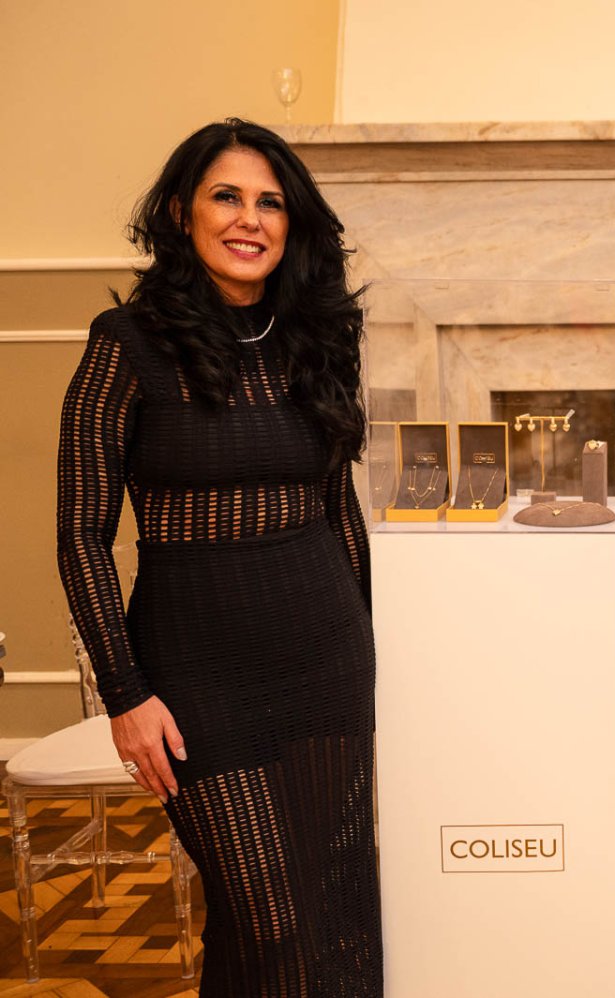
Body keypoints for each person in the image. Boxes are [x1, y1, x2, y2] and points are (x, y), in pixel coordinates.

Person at [57, 118, 382, 996]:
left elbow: (337, 508)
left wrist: (367, 647)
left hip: (326, 661)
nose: (249, 219)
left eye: (270, 202)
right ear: (181, 212)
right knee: (270, 917)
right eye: (227, 197)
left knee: (330, 903)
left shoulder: (318, 338)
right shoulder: (125, 345)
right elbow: (82, 534)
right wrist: (125, 695)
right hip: (198, 679)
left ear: (291, 223)